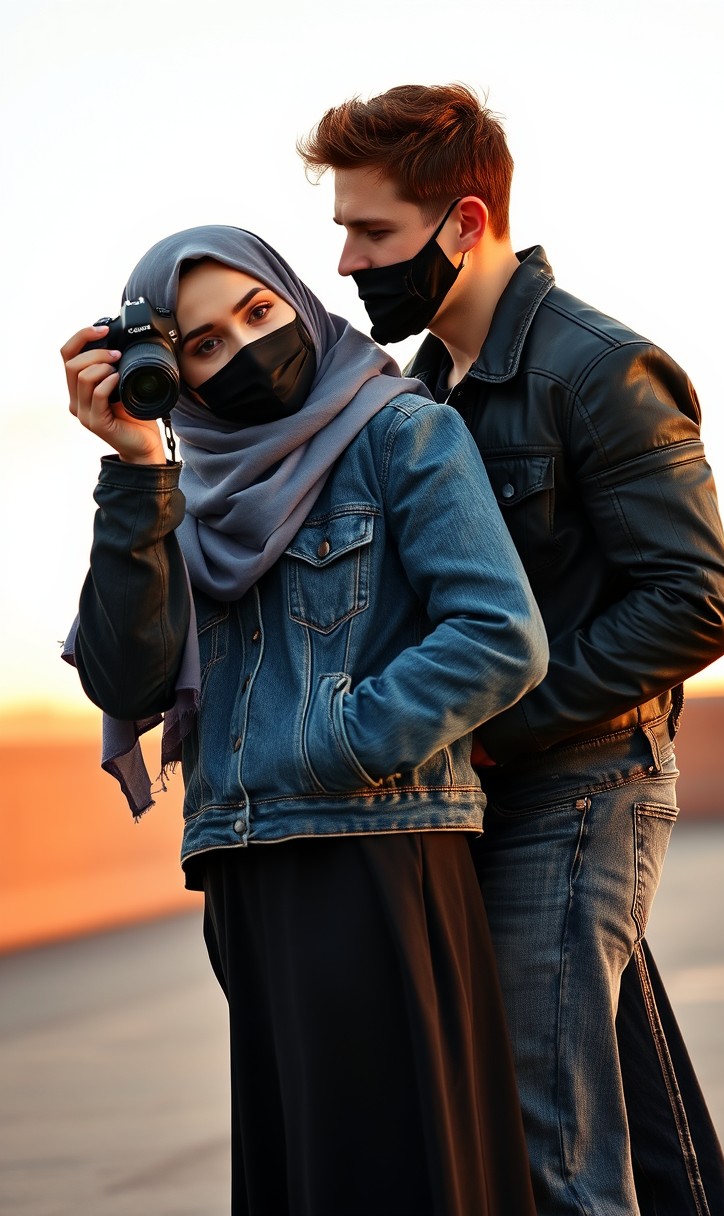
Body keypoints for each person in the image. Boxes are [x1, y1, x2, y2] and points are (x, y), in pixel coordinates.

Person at [299, 84, 724, 1216]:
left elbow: (696, 601)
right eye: (343, 228)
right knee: (632, 1125)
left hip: (585, 787)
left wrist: (503, 727)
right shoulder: (418, 392)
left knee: (545, 1144)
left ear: (463, 222)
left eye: (372, 231)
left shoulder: (597, 368)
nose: (347, 261)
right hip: (480, 797)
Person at [60, 224, 550, 1215]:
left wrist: (337, 742)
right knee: (311, 1175)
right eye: (201, 345)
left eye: (256, 311)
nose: (240, 347)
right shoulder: (183, 491)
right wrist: (133, 467)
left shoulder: (399, 432)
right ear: (174, 374)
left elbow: (500, 632)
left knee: (400, 1171)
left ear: (296, 300)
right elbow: (127, 673)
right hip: (245, 865)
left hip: (376, 848)